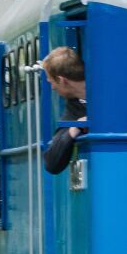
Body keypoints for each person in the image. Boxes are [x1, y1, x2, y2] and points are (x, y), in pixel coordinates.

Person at [42, 46, 87, 175]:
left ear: (62, 80)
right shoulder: (74, 107)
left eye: (51, 82)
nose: (52, 88)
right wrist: (74, 129)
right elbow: (52, 163)